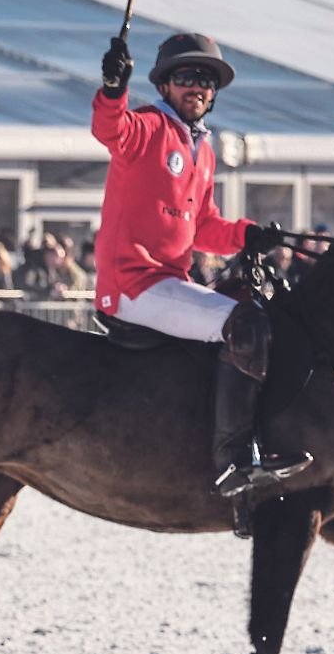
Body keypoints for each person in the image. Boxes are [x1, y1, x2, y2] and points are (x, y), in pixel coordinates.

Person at [93, 30, 302, 502]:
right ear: (165, 85)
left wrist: (248, 234)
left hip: (169, 280)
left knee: (255, 309)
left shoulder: (203, 149)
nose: (199, 88)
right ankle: (232, 460)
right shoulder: (147, 126)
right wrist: (112, 89)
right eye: (187, 77)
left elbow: (202, 226)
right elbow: (111, 128)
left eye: (207, 81)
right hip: (132, 284)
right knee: (242, 323)